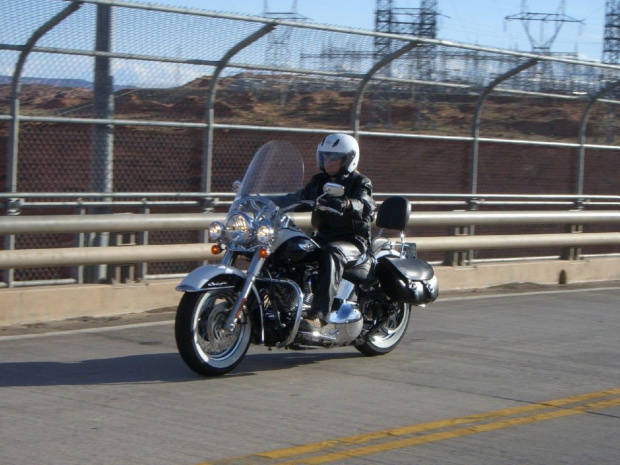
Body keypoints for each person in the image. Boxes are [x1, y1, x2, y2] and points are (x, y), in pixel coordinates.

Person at [297, 133, 376, 331]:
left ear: (348, 159)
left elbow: (366, 203)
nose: (328, 161)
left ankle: (319, 316)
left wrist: (348, 203)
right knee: (292, 247)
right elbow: (298, 197)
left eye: (334, 157)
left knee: (332, 253)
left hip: (353, 242)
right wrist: (264, 198)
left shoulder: (360, 182)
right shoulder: (319, 181)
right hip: (322, 238)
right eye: (326, 156)